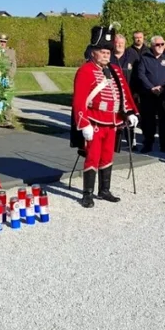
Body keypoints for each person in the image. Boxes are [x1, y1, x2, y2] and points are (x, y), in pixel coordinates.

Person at [71, 26, 139, 208]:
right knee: (92, 157)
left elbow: (125, 93)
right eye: (102, 52)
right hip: (94, 120)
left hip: (113, 122)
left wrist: (130, 112)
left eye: (108, 52)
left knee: (107, 156)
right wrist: (83, 123)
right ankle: (87, 193)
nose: (106, 55)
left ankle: (104, 190)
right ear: (93, 53)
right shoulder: (85, 71)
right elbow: (79, 100)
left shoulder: (116, 70)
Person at [136, 35, 165, 153]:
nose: (160, 46)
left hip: (163, 94)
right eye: (157, 44)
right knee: (148, 120)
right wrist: (151, 87)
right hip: (148, 94)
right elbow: (141, 74)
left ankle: (164, 145)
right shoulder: (145, 58)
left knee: (164, 121)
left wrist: (163, 87)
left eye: (162, 44)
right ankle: (148, 143)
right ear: (152, 46)